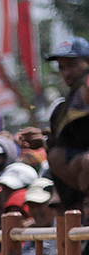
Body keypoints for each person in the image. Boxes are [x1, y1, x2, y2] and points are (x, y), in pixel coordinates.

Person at [44, 38, 89, 212]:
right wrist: (42, 140)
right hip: (78, 180)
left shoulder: (85, 84)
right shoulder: (64, 106)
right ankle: (78, 207)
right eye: (62, 67)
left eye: (72, 64)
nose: (66, 73)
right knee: (56, 155)